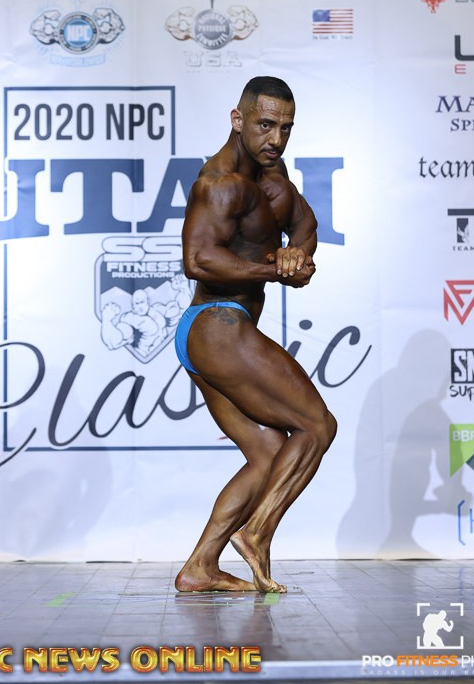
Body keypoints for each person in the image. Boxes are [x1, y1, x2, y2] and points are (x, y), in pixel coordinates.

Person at [174, 76, 337, 593]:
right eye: (266, 125)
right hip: (217, 324)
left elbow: (305, 223)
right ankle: (258, 532)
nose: (276, 138)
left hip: (210, 332)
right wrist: (274, 271)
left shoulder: (272, 174)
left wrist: (296, 254)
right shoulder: (219, 183)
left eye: (286, 128)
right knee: (317, 426)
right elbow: (198, 259)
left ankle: (200, 566)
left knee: (268, 454)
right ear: (237, 119)